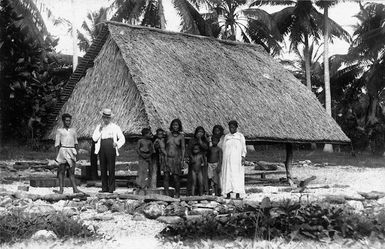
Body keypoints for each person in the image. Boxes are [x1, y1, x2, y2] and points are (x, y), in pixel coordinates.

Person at [92, 108, 125, 193]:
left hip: (111, 148)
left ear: (110, 118)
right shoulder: (99, 127)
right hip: (102, 148)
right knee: (103, 168)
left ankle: (111, 188)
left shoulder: (115, 127)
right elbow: (94, 138)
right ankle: (104, 188)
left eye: (108, 118)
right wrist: (99, 131)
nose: (106, 119)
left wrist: (117, 143)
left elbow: (122, 138)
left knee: (111, 168)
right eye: (104, 118)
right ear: (102, 118)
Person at [54, 113, 80, 194]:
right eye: (66, 121)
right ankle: (61, 189)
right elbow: (57, 144)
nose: (68, 122)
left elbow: (76, 143)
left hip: (71, 151)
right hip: (63, 150)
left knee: (72, 171)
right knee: (62, 171)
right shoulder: (60, 131)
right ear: (63, 121)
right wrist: (57, 155)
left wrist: (77, 154)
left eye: (69, 121)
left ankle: (75, 189)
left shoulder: (73, 131)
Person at [221, 120, 247, 199]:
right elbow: (223, 148)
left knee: (237, 175)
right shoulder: (227, 137)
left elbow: (243, 148)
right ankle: (227, 194)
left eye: (233, 127)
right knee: (228, 175)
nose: (231, 129)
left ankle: (238, 194)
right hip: (227, 160)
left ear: (236, 127)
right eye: (230, 127)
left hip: (236, 160)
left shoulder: (240, 136)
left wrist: (243, 157)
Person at [165, 119, 185, 198]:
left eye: (176, 125)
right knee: (166, 177)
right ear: (171, 126)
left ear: (179, 126)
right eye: (173, 125)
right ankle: (166, 194)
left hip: (176, 159)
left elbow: (183, 148)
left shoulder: (181, 136)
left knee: (176, 177)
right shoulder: (167, 134)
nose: (175, 126)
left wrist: (182, 160)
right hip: (167, 158)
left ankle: (177, 194)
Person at [187, 126, 209, 195]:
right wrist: (191, 158)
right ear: (196, 132)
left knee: (202, 179)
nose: (200, 133)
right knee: (192, 179)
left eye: (202, 132)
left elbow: (206, 148)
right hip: (193, 161)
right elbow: (189, 150)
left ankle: (203, 192)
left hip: (202, 160)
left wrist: (200, 140)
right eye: (199, 132)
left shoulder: (205, 140)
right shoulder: (192, 140)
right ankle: (190, 192)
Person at [136, 128, 154, 192]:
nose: (150, 135)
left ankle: (145, 185)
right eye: (149, 134)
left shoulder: (150, 142)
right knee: (141, 171)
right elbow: (137, 149)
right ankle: (139, 185)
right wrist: (142, 155)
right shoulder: (140, 141)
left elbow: (152, 150)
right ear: (145, 134)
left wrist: (148, 155)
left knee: (147, 171)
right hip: (141, 157)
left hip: (148, 157)